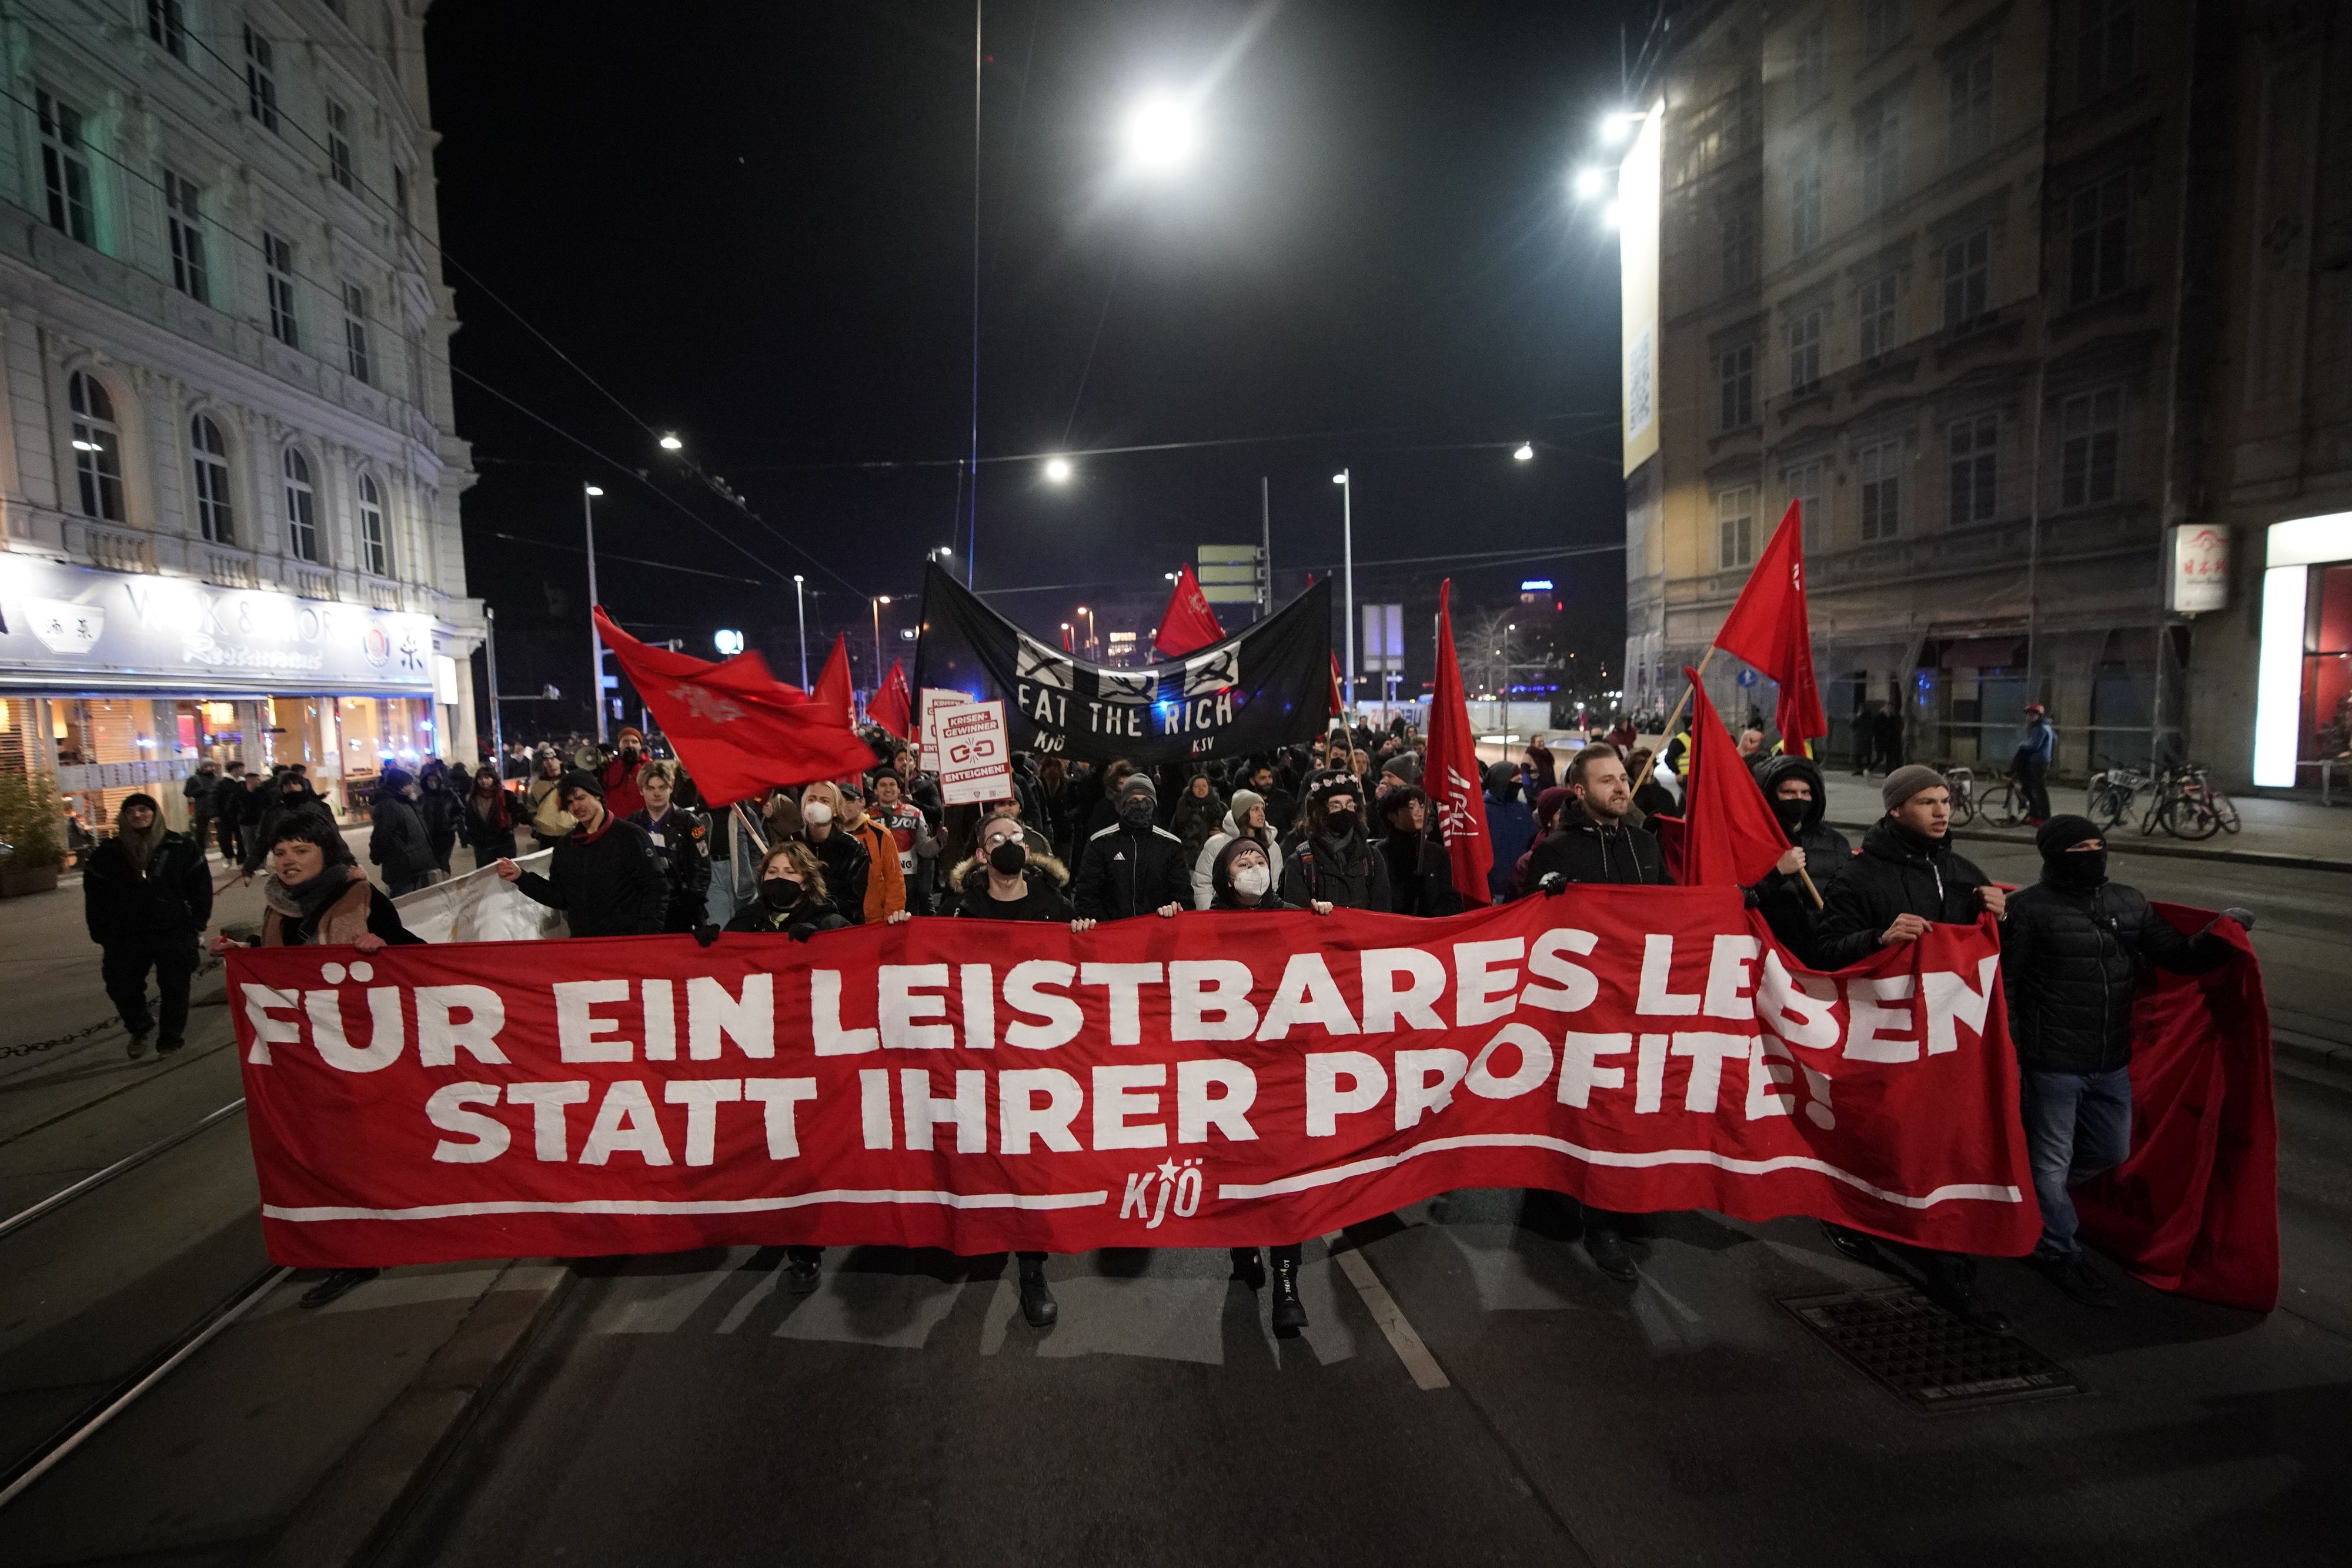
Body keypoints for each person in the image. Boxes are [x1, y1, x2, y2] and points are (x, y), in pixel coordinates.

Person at [2002, 817, 2250, 1306]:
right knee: (2051, 1161)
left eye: (2098, 844)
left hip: (2111, 1059)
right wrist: (2013, 1049)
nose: (2093, 853)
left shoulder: (2128, 902)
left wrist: (2222, 933)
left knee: (2109, 1150)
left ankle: (2031, 1204)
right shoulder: (2027, 909)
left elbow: (2178, 955)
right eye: (2080, 847)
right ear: (2054, 854)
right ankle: (2055, 1248)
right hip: (2051, 1062)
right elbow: (2006, 984)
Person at [1811, 764, 2011, 1330]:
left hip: (1950, 1042)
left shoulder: (1965, 874)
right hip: (1887, 1037)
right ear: (1896, 809)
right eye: (1927, 801)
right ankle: (1854, 1214)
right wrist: (1879, 938)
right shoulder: (1860, 876)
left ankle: (1948, 1264)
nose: (1942, 810)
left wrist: (2003, 918)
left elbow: (1994, 959)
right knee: (1889, 1143)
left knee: (1943, 1151)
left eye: (1945, 800)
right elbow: (1825, 951)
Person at [211, 810, 420, 1309]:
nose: (288, 860)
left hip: (360, 1050)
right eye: (281, 851)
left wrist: (384, 947)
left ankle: (362, 1251)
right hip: (301, 1054)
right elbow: (286, 960)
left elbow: (419, 957)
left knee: (356, 1150)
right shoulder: (278, 905)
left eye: (301, 850)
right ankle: (344, 1242)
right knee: (319, 1150)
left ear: (327, 853)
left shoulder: (362, 898)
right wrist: (245, 951)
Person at [1522, 745, 1671, 1281]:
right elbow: (1530, 929)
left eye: (1623, 777)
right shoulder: (1556, 849)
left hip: (1640, 1002)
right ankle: (1598, 1219)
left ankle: (1626, 1199)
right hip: (1583, 1010)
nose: (1621, 786)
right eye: (1607, 780)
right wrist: (1545, 897)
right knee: (1593, 1111)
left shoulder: (1645, 844)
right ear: (1581, 792)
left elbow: (1674, 910)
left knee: (1633, 1107)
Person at [949, 815, 1084, 1325]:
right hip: (981, 1056)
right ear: (982, 855)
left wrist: (1084, 936)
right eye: (997, 839)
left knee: (1030, 1163)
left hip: (1038, 1058)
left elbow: (1083, 974)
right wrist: (902, 930)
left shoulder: (1057, 905)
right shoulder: (961, 910)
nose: (1009, 844)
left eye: (1017, 837)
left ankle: (1032, 1269)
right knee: (987, 1154)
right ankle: (984, 1235)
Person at [1206, 834, 1334, 1329]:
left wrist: (1326, 922)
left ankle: (1287, 1285)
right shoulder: (1203, 927)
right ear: (1224, 874)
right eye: (1242, 859)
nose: (1253, 865)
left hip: (1284, 1074)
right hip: (1226, 1074)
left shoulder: (1297, 919)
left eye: (1259, 857)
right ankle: (1243, 1248)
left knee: (1285, 1183)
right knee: (1238, 1175)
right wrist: (1167, 924)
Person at [84, 792, 212, 1060]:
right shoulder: (107, 853)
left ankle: (170, 1039)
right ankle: (140, 1025)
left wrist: (196, 923)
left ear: (155, 814)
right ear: (123, 817)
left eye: (143, 809)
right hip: (125, 933)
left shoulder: (181, 847)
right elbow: (95, 896)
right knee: (121, 985)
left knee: (175, 987)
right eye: (131, 811)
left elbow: (200, 887)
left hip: (173, 929)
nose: (138, 815)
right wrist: (101, 931)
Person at [495, 771, 667, 937]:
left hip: (623, 942)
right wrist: (521, 877)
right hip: (583, 942)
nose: (576, 806)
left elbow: (656, 888)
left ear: (597, 795)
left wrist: (645, 936)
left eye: (581, 798)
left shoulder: (630, 836)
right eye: (569, 802)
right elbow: (560, 897)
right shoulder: (566, 846)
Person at [1747, 753, 1852, 967]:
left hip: (1823, 956)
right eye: (1788, 792)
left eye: (1806, 792)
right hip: (1772, 958)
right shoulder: (1752, 842)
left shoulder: (1836, 843)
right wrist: (1777, 873)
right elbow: (1737, 901)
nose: (1799, 799)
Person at [1074, 774, 1188, 921]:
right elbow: (1087, 895)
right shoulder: (1100, 843)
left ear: (1154, 804)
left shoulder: (1171, 845)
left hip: (1157, 930)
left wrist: (1171, 912)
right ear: (1124, 803)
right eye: (1134, 800)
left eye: (1146, 800)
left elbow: (1183, 898)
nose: (1140, 805)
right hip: (1113, 931)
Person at [1281, 774, 1391, 912]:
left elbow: (1383, 914)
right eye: (1336, 806)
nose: (1345, 811)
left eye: (1350, 805)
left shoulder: (1372, 858)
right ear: (1320, 812)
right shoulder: (1300, 863)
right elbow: (1297, 917)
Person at [626, 760, 712, 935]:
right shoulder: (632, 824)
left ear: (671, 788)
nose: (657, 793)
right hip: (644, 905)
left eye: (662, 787)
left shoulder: (690, 822)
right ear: (641, 790)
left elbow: (702, 866)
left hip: (681, 904)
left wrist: (693, 901)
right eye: (651, 788)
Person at [1375, 785, 1463, 917]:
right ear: (1392, 816)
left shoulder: (1437, 852)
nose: (1419, 812)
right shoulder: (1379, 853)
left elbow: (1451, 897)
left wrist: (1431, 917)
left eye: (1422, 807)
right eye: (1411, 807)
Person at [798, 781, 878, 924]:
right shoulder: (790, 844)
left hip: (838, 927)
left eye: (824, 801)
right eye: (812, 799)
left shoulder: (852, 849)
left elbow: (852, 902)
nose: (816, 804)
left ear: (836, 810)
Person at [1191, 788, 1282, 910]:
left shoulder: (1273, 847)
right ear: (1242, 814)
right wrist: (1210, 915)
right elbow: (1203, 884)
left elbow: (1274, 886)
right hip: (1223, 912)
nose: (1261, 814)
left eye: (1262, 809)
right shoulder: (1216, 844)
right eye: (1255, 809)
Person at [868, 770, 938, 915]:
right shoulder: (866, 816)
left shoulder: (915, 813)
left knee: (908, 918)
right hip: (877, 879)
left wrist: (938, 841)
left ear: (899, 789)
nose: (888, 789)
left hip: (907, 879)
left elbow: (925, 849)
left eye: (892, 785)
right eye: (883, 785)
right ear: (875, 790)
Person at [368, 767, 437, 898]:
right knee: (404, 900)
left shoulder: (404, 801)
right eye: (409, 783)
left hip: (415, 863)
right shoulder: (389, 805)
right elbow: (381, 835)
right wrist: (376, 856)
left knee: (416, 899)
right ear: (401, 786)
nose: (412, 786)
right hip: (402, 865)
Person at [1482, 763, 1536, 905]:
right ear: (1501, 782)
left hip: (1518, 889)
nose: (1520, 785)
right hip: (1491, 889)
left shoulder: (1523, 810)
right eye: (1516, 781)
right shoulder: (1483, 810)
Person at [462, 765, 520, 867]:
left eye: (487, 777)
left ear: (494, 778)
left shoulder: (507, 796)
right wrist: (472, 837)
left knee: (507, 871)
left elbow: (518, 813)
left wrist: (510, 827)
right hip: (482, 845)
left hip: (504, 842)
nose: (484, 781)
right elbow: (469, 820)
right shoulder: (472, 798)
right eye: (480, 778)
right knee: (486, 873)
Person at [1170, 769, 1227, 863]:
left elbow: (1232, 830)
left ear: (1209, 788)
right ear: (1191, 789)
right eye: (1197, 786)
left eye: (1204, 786)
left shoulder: (1220, 806)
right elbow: (1174, 832)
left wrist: (1223, 833)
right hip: (1190, 858)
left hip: (1216, 857)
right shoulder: (1183, 806)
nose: (1201, 789)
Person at [596, 726, 652, 821]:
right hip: (614, 823)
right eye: (625, 742)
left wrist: (636, 766)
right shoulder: (609, 768)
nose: (630, 745)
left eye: (635, 742)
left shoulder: (650, 768)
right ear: (619, 746)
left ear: (640, 746)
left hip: (642, 822)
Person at [417, 760, 462, 876]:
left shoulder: (449, 795)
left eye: (434, 780)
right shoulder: (422, 798)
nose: (432, 783)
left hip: (446, 834)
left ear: (439, 780)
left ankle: (446, 882)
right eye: (429, 781)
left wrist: (451, 821)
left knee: (443, 861)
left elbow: (460, 810)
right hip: (429, 836)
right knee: (433, 863)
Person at [524, 747, 573, 850]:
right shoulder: (537, 786)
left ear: (560, 761)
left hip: (569, 831)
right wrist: (536, 821)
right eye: (546, 760)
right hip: (546, 833)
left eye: (552, 759)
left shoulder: (571, 782)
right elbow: (532, 807)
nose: (549, 762)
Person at [2016, 703, 2056, 825]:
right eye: (2029, 714)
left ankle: (2044, 818)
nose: (2030, 716)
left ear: (2039, 715)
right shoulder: (2043, 726)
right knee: (2029, 788)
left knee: (2039, 791)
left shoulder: (2040, 728)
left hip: (2039, 762)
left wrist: (2022, 745)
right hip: (2039, 761)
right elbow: (2055, 738)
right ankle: (2035, 815)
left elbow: (2034, 746)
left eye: (2033, 714)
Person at [183, 759, 223, 862]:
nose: (210, 768)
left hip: (217, 809)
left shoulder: (218, 778)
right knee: (201, 833)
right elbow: (187, 792)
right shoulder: (194, 779)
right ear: (203, 767)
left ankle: (225, 850)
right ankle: (200, 854)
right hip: (202, 809)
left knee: (222, 831)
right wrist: (201, 791)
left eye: (212, 766)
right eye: (208, 766)